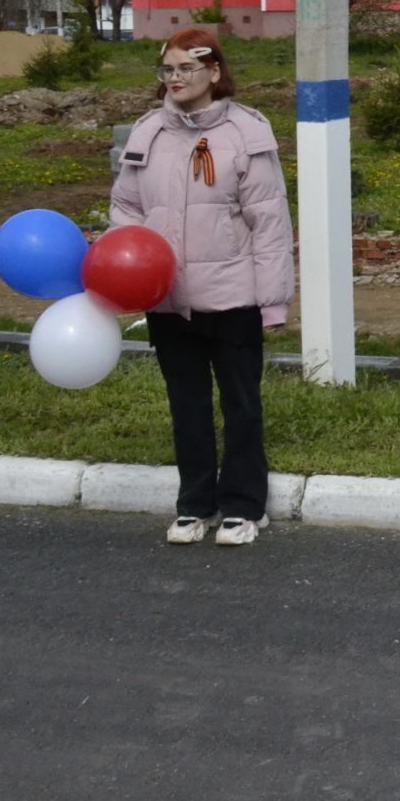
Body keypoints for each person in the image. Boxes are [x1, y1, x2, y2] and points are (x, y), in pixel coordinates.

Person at [109, 29, 294, 547]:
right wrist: (132, 261)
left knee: (240, 403)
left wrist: (273, 300)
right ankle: (195, 505)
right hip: (168, 300)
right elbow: (125, 206)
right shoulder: (148, 132)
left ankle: (243, 507)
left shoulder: (247, 132)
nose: (174, 79)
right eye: (167, 70)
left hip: (233, 297)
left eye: (185, 69)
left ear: (214, 72)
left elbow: (270, 223)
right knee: (185, 404)